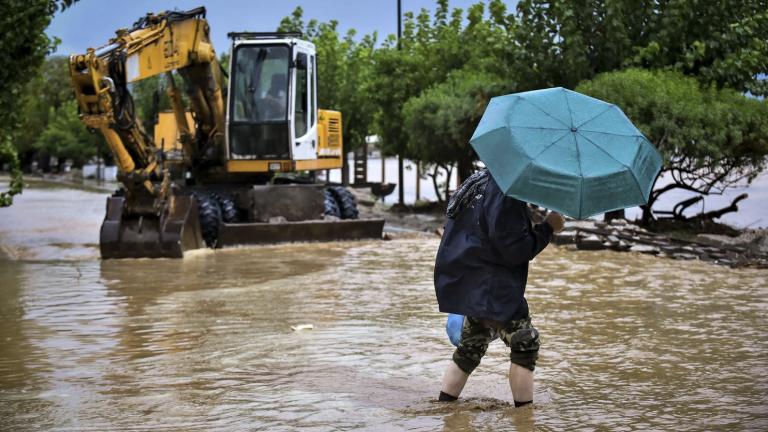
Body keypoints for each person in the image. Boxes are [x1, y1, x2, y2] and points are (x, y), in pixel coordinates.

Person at [434, 169, 565, 407]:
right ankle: (524, 419)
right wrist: (548, 228)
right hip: (495, 286)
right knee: (525, 343)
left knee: (470, 348)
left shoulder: (479, 181)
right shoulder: (507, 192)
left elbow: (485, 231)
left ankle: (445, 408)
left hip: (473, 282)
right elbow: (515, 249)